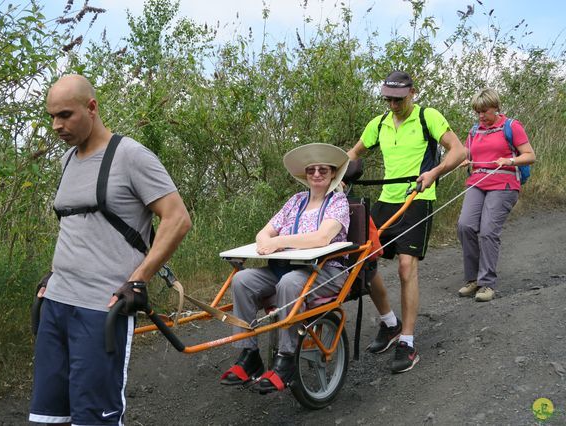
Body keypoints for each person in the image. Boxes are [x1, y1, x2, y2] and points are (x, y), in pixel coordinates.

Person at [29, 74, 191, 425]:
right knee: (47, 417)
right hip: (56, 304)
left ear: (92, 107)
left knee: (93, 417)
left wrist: (139, 278)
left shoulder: (131, 156)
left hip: (100, 309)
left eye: (65, 115)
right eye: (52, 117)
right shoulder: (68, 161)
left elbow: (177, 219)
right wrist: (55, 274)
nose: (57, 126)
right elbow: (79, 226)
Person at [346, 71, 465, 373]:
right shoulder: (380, 123)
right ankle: (389, 323)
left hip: (418, 198)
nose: (392, 104)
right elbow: (354, 154)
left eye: (398, 99)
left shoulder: (429, 117)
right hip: (386, 199)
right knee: (362, 259)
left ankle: (408, 342)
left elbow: (460, 150)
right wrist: (330, 172)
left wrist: (434, 173)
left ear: (413, 92)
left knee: (405, 266)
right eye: (387, 98)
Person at [220, 143, 350, 393]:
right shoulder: (296, 200)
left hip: (325, 271)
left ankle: (286, 358)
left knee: (289, 283)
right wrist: (265, 242)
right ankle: (250, 355)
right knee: (242, 280)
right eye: (311, 170)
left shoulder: (338, 202)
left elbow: (321, 238)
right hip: (285, 268)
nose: (316, 174)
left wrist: (278, 242)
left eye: (323, 170)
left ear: (333, 173)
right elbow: (265, 232)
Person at [457, 88, 535, 302]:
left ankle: (487, 284)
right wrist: (464, 159)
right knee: (465, 226)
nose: (481, 116)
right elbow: (467, 153)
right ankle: (472, 279)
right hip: (477, 181)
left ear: (496, 108)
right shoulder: (474, 131)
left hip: (505, 183)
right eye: (478, 112)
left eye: (485, 111)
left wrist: (509, 161)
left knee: (488, 231)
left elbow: (530, 155)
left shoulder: (511, 126)